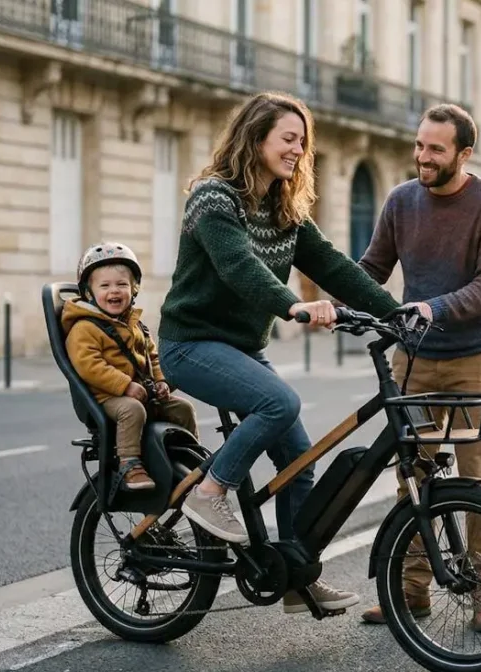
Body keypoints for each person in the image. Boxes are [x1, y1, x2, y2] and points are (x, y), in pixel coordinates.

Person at [154, 92, 403, 614]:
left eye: (302, 141)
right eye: (288, 138)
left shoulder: (283, 207)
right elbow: (238, 267)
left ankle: (295, 578)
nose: (297, 149)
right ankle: (209, 491)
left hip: (241, 348)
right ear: (256, 136)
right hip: (191, 344)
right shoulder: (212, 197)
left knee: (300, 459)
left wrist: (396, 313)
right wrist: (295, 307)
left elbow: (334, 266)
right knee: (279, 404)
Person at [356, 104, 481, 633]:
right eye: (419, 145)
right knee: (414, 477)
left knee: (478, 483)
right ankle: (412, 590)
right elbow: (372, 268)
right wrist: (339, 302)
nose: (422, 157)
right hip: (415, 361)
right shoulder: (402, 201)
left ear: (464, 154)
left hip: (474, 359)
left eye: (435, 149)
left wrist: (434, 307)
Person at [61, 243, 200, 492]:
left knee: (183, 408)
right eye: (105, 286)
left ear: (134, 289)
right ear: (89, 293)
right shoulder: (85, 328)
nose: (114, 291)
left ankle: (189, 458)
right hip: (106, 397)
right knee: (132, 410)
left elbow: (152, 357)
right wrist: (124, 385)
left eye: (122, 285)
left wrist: (162, 382)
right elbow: (88, 365)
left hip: (139, 391)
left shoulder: (133, 325)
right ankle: (130, 464)